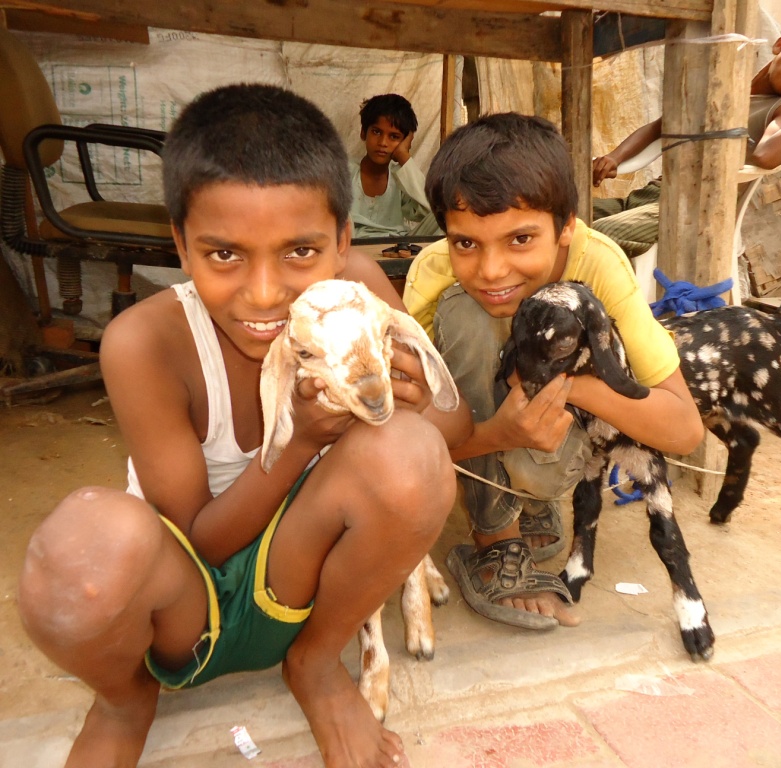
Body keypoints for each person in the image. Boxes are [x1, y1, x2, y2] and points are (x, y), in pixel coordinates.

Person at [16, 84, 470, 768]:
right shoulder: (146, 342)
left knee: (411, 453)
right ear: (180, 244)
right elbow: (201, 542)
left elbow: (452, 424)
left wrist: (411, 397)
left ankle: (316, 665)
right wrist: (303, 439)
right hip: (185, 609)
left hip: (303, 588)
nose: (263, 294)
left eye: (301, 252)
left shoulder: (355, 293)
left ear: (343, 242)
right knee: (76, 552)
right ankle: (123, 701)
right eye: (224, 254)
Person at [403, 113, 704, 631]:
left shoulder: (599, 266)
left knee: (556, 326)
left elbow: (683, 429)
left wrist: (574, 387)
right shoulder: (434, 273)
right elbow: (402, 436)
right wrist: (498, 435)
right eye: (466, 243)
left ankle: (532, 496)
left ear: (566, 227)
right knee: (467, 312)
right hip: (479, 431)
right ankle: (496, 538)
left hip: (555, 442)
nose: (491, 270)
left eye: (520, 239)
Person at [591, 14, 781, 259]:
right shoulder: (728, 88)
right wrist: (615, 157)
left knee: (599, 238)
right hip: (650, 195)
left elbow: (766, 156)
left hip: (688, 209)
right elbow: (660, 126)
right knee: (570, 215)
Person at [349, 93, 441, 239]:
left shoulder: (401, 177)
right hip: (353, 244)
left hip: (396, 244)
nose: (383, 143)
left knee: (444, 213)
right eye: (376, 132)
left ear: (405, 141)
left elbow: (429, 210)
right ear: (363, 133)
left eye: (394, 137)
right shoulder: (345, 171)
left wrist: (403, 156)